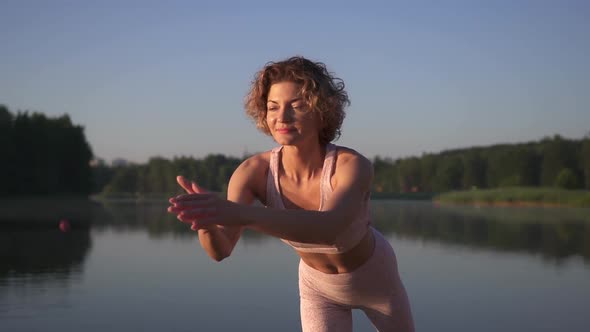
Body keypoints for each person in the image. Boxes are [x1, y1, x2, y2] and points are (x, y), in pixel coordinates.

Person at [167, 56, 415, 332]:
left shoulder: (351, 165)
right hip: (318, 288)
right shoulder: (253, 172)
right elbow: (221, 251)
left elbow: (329, 227)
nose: (281, 117)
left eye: (296, 106)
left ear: (322, 111)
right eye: (273, 107)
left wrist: (242, 214)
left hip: (375, 279)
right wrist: (207, 224)